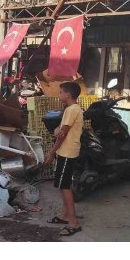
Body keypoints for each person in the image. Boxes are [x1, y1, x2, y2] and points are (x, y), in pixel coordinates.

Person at [44, 81, 84, 236]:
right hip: (66, 151)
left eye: (61, 92)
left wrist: (51, 153)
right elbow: (60, 131)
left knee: (65, 186)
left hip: (66, 152)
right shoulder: (70, 109)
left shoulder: (72, 110)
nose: (59, 94)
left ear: (68, 94)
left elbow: (61, 134)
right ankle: (65, 215)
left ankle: (73, 222)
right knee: (63, 185)